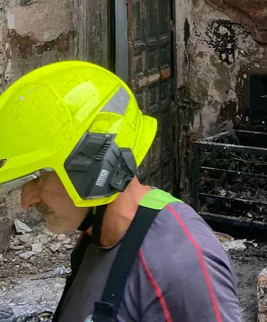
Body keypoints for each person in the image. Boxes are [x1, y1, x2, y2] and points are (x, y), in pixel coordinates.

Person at [0, 61, 243, 322]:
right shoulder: (95, 241)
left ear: (94, 163)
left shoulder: (181, 262)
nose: (26, 201)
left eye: (37, 179)